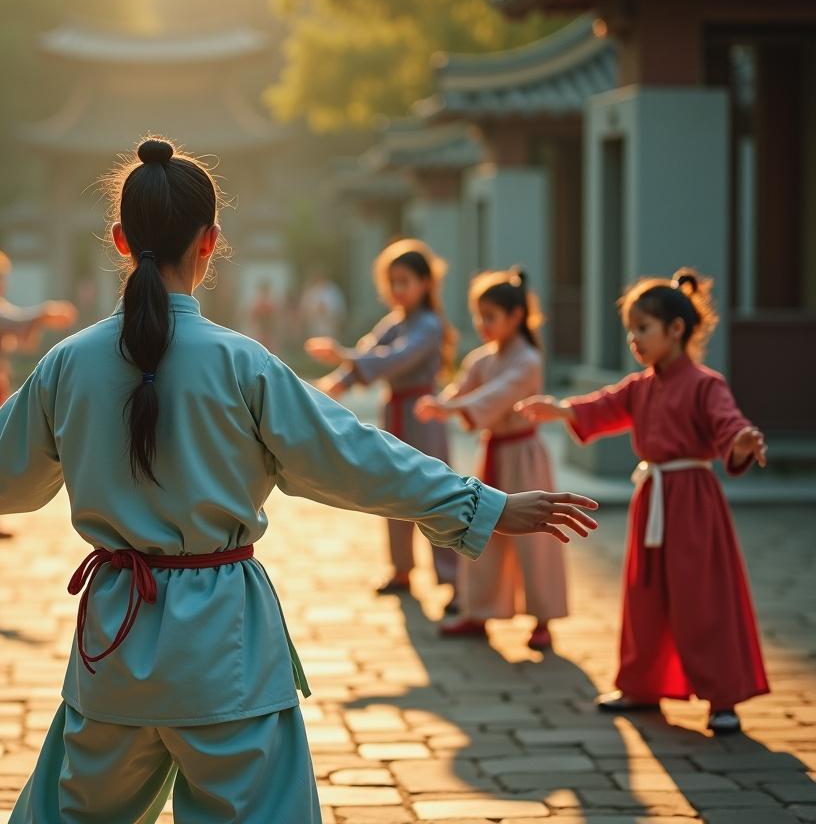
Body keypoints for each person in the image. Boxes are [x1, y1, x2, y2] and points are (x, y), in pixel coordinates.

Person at [0, 138, 598, 822]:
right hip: (225, 646)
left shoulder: (69, 363)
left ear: (120, 242)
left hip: (114, 647)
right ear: (211, 242)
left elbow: (2, 476)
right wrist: (484, 505)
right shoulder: (241, 363)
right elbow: (354, 456)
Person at [518, 269, 768, 735]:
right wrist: (562, 409)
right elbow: (605, 404)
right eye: (631, 329)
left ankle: (722, 696)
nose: (635, 339)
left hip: (692, 502)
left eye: (644, 328)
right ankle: (642, 684)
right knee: (644, 594)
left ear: (676, 329)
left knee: (702, 597)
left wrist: (741, 441)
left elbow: (727, 423)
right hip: (652, 497)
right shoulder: (641, 385)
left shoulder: (705, 383)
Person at [415, 269, 567, 650]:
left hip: (524, 456)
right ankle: (477, 610)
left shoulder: (528, 359)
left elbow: (497, 395)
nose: (482, 325)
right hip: (494, 451)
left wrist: (449, 408)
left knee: (535, 538)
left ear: (516, 316)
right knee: (481, 529)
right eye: (478, 316)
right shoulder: (482, 358)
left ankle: (543, 616)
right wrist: (443, 402)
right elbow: (464, 389)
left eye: (490, 317)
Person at [305, 238, 461, 599]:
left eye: (405, 281)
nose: (397, 289)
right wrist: (331, 387)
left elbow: (393, 359)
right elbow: (370, 354)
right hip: (396, 413)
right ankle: (402, 569)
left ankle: (453, 578)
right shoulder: (394, 321)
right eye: (392, 282)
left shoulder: (430, 325)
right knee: (393, 488)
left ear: (425, 283)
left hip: (423, 415)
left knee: (435, 493)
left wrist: (342, 357)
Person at [0, 247, 77, 538]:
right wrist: (44, 314)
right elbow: (14, 323)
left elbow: (19, 331)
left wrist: (39, 319)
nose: (0, 283)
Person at [298, 269, 345, 339]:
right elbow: (304, 312)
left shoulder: (334, 291)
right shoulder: (310, 291)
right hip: (314, 332)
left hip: (330, 331)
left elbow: (340, 312)